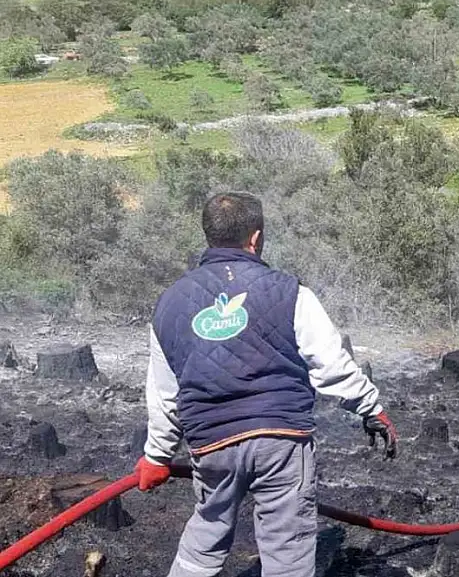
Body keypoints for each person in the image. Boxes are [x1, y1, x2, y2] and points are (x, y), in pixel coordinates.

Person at [134, 192, 398, 577]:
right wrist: (370, 408)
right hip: (281, 440)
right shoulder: (290, 292)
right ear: (255, 238)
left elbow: (164, 395)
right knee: (286, 549)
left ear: (208, 235)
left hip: (212, 444)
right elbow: (330, 363)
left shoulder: (169, 303)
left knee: (207, 532)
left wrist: (157, 456)